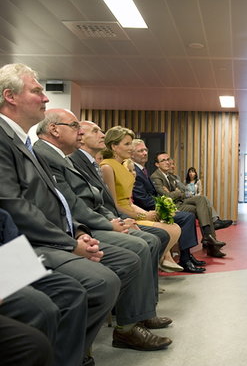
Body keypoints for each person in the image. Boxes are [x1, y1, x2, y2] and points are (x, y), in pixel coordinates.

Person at [0, 63, 170, 354]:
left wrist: (78, 232)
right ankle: (89, 346)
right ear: (10, 96)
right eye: (37, 91)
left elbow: (58, 202)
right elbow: (13, 206)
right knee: (93, 283)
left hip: (42, 237)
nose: (46, 97)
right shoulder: (17, 142)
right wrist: (70, 242)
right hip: (22, 245)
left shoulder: (25, 142)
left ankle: (80, 350)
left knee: (83, 287)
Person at [34, 109, 173, 327]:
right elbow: (72, 204)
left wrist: (109, 221)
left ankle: (141, 310)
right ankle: (132, 320)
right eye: (75, 126)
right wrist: (96, 228)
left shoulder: (64, 157)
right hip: (63, 234)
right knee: (139, 246)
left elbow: (96, 201)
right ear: (54, 129)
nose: (80, 132)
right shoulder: (48, 155)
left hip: (82, 226)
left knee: (154, 238)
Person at [0, 207, 88, 366]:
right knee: (40, 307)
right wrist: (71, 244)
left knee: (71, 292)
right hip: (38, 243)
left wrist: (79, 234)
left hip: (8, 256)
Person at [100, 126, 183, 272]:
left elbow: (128, 201)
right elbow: (113, 205)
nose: (131, 148)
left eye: (131, 144)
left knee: (174, 227)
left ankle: (157, 264)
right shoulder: (107, 167)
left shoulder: (123, 165)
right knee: (171, 230)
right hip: (122, 216)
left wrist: (147, 214)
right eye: (127, 144)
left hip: (130, 210)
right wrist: (142, 215)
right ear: (114, 146)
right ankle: (157, 264)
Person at [131, 139, 206, 272]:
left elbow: (182, 191)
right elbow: (142, 199)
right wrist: (162, 207)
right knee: (187, 217)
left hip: (157, 205)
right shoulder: (134, 171)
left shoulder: (143, 170)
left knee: (194, 209)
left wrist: (172, 196)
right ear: (131, 154)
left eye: (145, 150)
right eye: (140, 151)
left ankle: (187, 255)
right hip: (146, 211)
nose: (144, 153)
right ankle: (185, 258)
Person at [151, 152, 227, 257]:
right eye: (163, 160)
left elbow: (184, 191)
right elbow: (166, 196)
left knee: (201, 199)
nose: (167, 162)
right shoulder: (156, 177)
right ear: (157, 164)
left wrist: (177, 193)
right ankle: (210, 242)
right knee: (205, 209)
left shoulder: (171, 176)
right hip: (172, 207)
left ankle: (208, 238)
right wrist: (177, 192)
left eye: (168, 159)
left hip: (179, 202)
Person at [171, 159, 232, 230]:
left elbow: (185, 190)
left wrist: (182, 192)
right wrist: (179, 192)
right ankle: (214, 222)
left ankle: (214, 223)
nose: (173, 166)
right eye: (190, 172)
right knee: (202, 202)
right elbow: (182, 191)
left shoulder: (178, 177)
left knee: (204, 200)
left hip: (193, 197)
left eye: (173, 164)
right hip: (184, 199)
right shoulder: (185, 181)